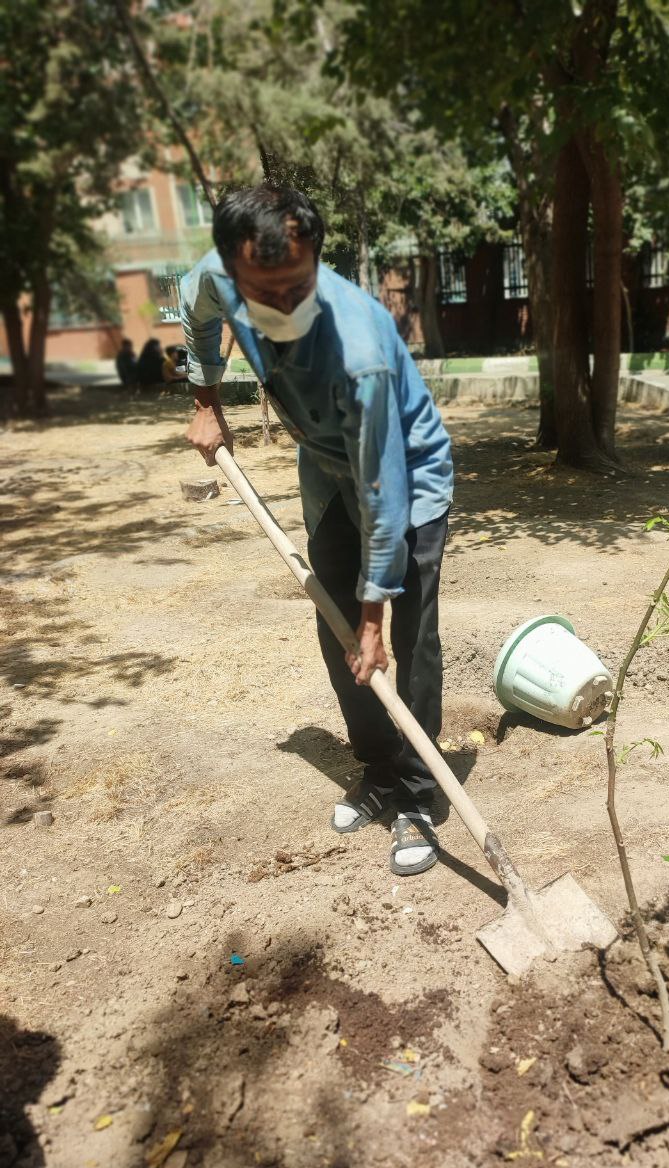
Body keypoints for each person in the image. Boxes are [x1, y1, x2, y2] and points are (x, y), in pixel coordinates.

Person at [180, 185, 453, 877]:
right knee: (336, 630)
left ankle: (420, 796)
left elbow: (384, 495)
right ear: (234, 270)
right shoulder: (217, 276)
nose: (284, 305)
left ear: (317, 262)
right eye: (264, 291)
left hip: (404, 480)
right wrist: (206, 398)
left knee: (404, 639)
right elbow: (196, 307)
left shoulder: (356, 348)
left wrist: (375, 616)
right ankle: (380, 773)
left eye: (298, 286)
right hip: (325, 466)